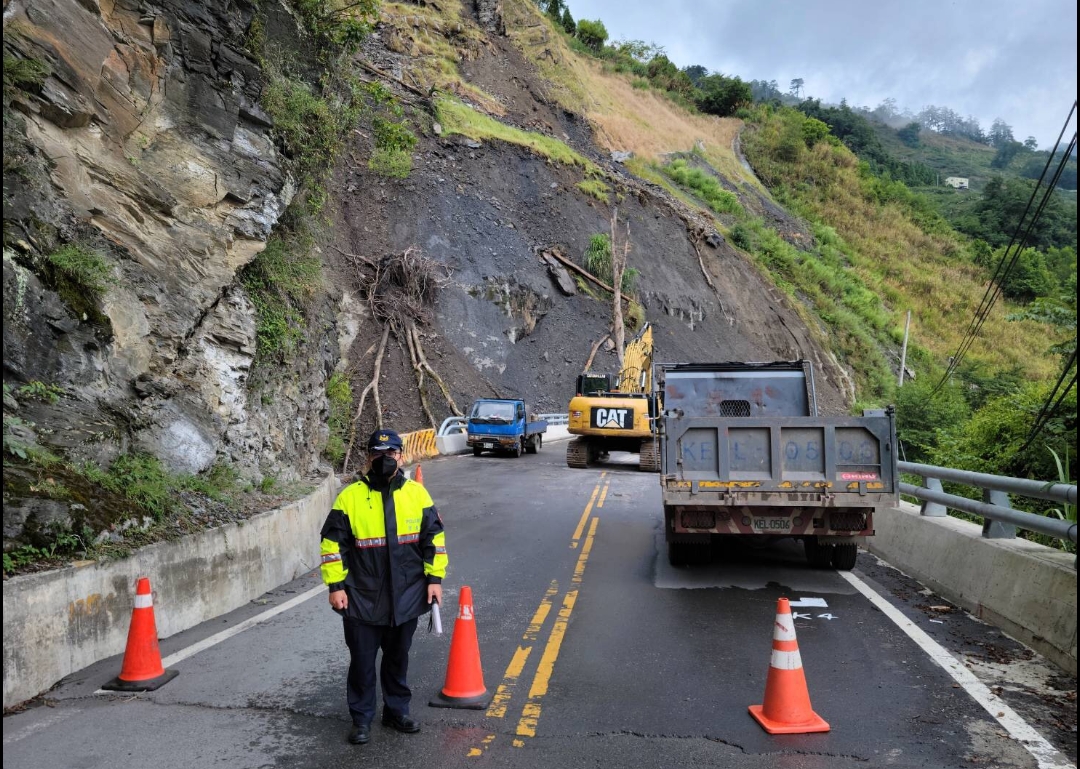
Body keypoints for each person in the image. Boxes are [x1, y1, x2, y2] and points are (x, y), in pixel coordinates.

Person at [319, 428, 447, 745]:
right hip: (361, 598)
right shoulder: (349, 498)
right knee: (362, 663)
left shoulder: (418, 494)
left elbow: (434, 541)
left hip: (406, 596)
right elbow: (332, 545)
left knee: (397, 659)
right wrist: (336, 586)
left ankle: (395, 711)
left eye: (390, 454)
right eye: (378, 454)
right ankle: (361, 719)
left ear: (401, 456)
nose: (385, 460)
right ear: (368, 458)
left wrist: (434, 580)